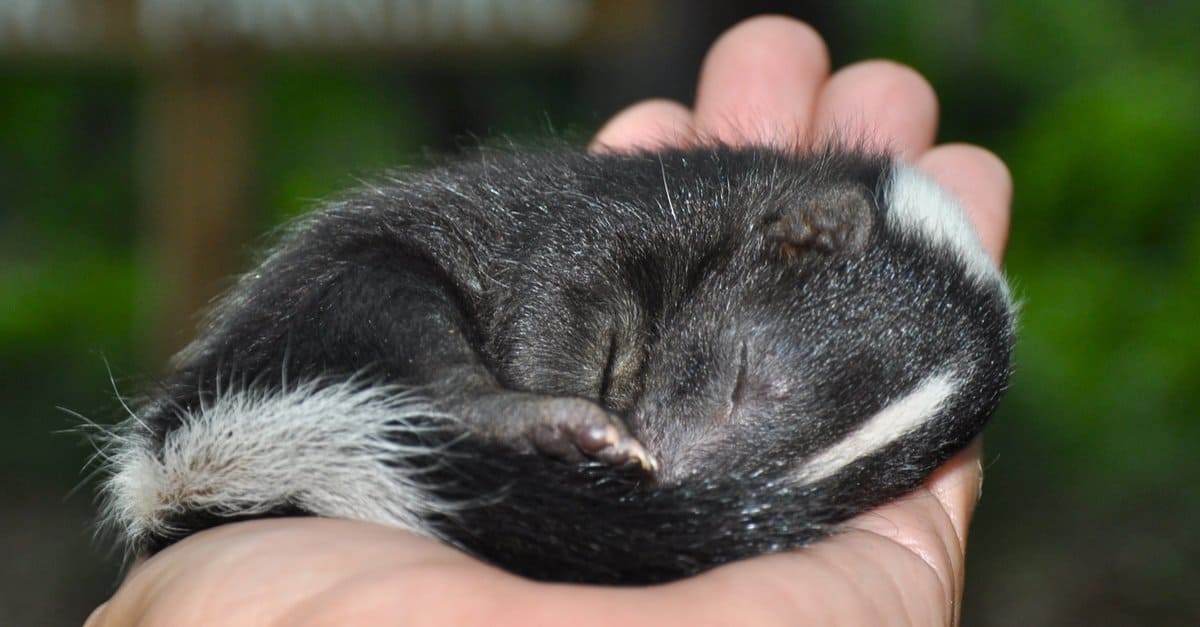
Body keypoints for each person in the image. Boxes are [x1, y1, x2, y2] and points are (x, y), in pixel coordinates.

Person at [86, 15, 1011, 627]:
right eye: (741, 388)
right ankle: (467, 406)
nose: (690, 462)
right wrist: (530, 403)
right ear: (800, 238)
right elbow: (553, 287)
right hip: (265, 395)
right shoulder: (655, 224)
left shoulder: (766, 266)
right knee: (382, 274)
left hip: (308, 478)